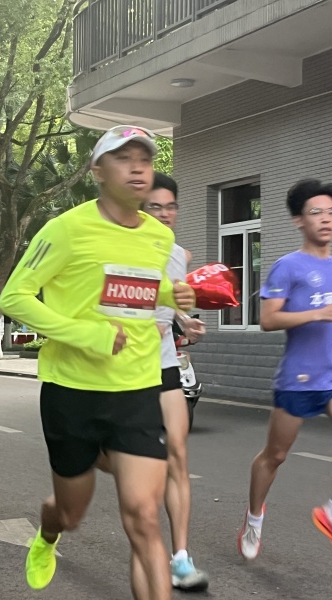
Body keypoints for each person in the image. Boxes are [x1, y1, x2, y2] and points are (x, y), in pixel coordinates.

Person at [0, 125, 196, 600]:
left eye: (144, 160)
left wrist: (176, 295)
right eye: (123, 158)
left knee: (144, 518)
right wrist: (88, 335)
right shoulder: (66, 229)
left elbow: (142, 287)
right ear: (97, 171)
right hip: (73, 391)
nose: (137, 168)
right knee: (70, 513)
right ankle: (48, 535)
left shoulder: (158, 237)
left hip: (137, 389)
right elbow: (14, 297)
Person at [238, 179, 332, 563]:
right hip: (298, 379)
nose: (326, 219)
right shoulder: (288, 266)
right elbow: (268, 320)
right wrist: (318, 313)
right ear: (299, 220)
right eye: (317, 212)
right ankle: (254, 518)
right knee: (275, 455)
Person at [141, 172, 208, 591]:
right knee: (94, 460)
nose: (165, 214)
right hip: (120, 369)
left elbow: (173, 302)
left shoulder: (179, 255)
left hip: (164, 365)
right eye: (155, 206)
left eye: (171, 207)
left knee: (177, 454)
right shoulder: (118, 248)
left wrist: (186, 321)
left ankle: (180, 559)